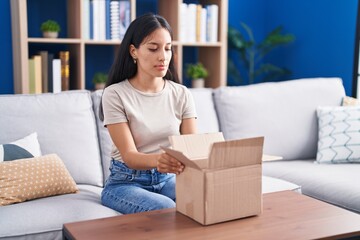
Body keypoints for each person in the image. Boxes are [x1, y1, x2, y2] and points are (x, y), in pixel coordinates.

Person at [99, 13, 197, 214]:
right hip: (126, 183)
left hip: (168, 178)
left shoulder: (181, 93)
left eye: (168, 48)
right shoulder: (115, 94)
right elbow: (130, 156)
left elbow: (191, 148)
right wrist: (160, 160)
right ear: (133, 51)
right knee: (167, 209)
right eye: (153, 48)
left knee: (205, 196)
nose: (163, 56)